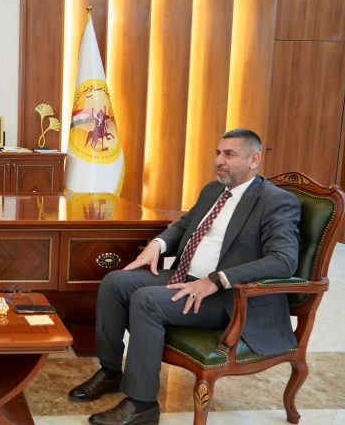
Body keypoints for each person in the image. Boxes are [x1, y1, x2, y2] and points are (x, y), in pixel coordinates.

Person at [68, 128, 301, 425]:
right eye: (218, 153)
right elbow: (185, 225)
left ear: (254, 159)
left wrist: (215, 280)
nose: (219, 160)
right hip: (186, 277)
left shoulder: (275, 201)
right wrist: (157, 245)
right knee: (115, 282)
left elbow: (283, 260)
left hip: (227, 298)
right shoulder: (213, 190)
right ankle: (111, 371)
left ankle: (141, 404)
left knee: (147, 301)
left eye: (229, 154)